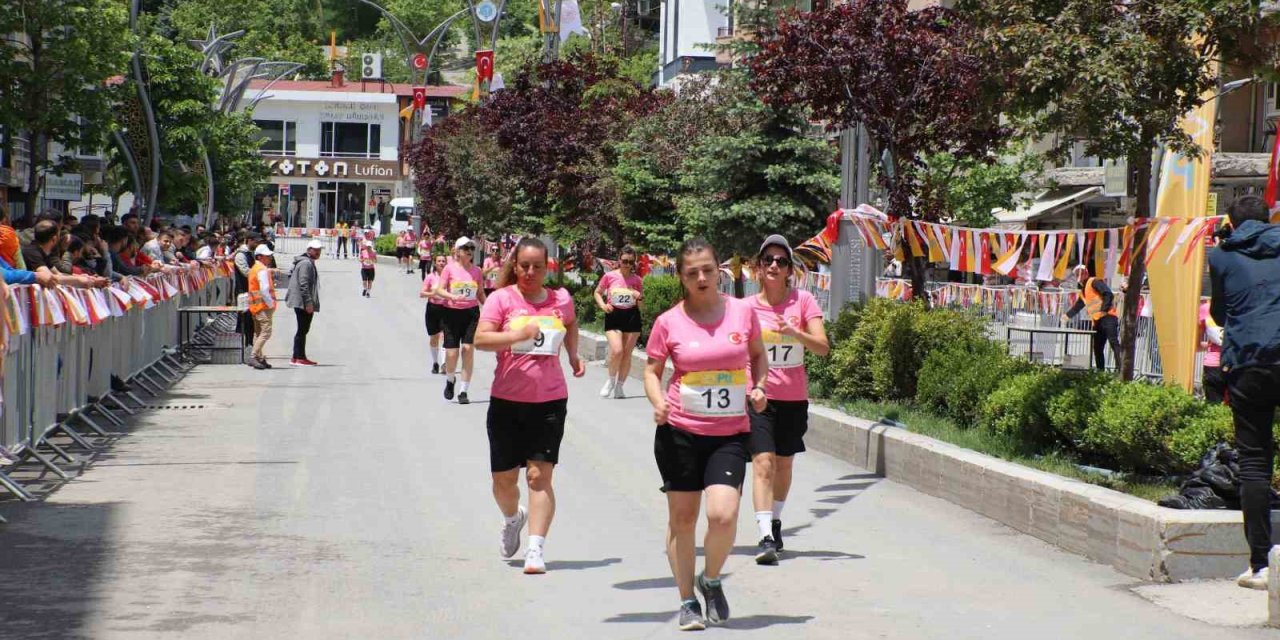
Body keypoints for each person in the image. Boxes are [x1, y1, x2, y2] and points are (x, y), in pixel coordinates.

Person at [643, 238, 768, 630]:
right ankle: (687, 601)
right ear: (681, 276)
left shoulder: (742, 314)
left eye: (708, 270)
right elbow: (651, 370)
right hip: (679, 430)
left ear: (720, 272)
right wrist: (658, 400)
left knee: (723, 514)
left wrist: (760, 386)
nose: (701, 278)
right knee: (683, 519)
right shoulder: (669, 322)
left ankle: (710, 579)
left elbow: (758, 355)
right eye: (692, 272)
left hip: (729, 432)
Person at [474, 237, 587, 574]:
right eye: (524, 265)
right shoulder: (501, 299)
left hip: (549, 400)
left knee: (539, 476)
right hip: (507, 401)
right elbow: (481, 339)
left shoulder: (560, 299)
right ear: (515, 265)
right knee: (503, 481)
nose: (530, 272)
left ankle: (536, 550)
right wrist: (517, 335)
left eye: (538, 266)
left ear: (547, 266)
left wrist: (573, 354)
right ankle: (513, 517)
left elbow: (570, 324)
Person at [1207, 195, 1280, 591]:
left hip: (1250, 363)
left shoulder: (1221, 256)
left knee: (1254, 462)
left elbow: (1219, 312)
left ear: (1231, 224)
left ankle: (1260, 565)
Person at [746, 235, 829, 564]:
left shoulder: (804, 302)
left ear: (789, 269)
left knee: (783, 464)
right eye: (769, 260)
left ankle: (776, 520)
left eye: (781, 261)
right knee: (763, 463)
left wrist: (795, 333)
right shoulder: (746, 308)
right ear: (759, 267)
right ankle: (765, 534)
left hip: (793, 397)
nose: (775, 266)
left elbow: (822, 347)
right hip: (759, 397)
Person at [434, 237, 487, 404]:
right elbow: (439, 290)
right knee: (451, 353)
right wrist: (452, 296)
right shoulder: (449, 269)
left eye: (471, 248)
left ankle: (464, 391)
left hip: (471, 313)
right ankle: (450, 380)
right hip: (451, 313)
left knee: (468, 349)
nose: (469, 251)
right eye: (465, 248)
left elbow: (480, 293)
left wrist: (490, 308)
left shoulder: (477, 271)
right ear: (457, 251)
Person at [593, 246, 645, 398]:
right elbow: (597, 292)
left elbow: (642, 306)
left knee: (627, 354)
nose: (627, 264)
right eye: (624, 261)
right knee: (617, 350)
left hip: (631, 316)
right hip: (614, 314)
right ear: (619, 260)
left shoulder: (637, 280)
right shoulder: (609, 276)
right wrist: (603, 305)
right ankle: (610, 381)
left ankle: (620, 387)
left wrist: (639, 296)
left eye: (630, 262)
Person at [1063, 265, 1119, 371]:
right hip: (1097, 321)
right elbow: (1077, 307)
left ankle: (1120, 370)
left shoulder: (1094, 282)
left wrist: (1104, 310)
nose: (1080, 275)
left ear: (1086, 273)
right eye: (1077, 273)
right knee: (1097, 349)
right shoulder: (1083, 292)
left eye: (1082, 272)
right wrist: (1067, 316)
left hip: (1108, 317)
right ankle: (1100, 372)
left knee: (1114, 343)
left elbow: (1108, 294)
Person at [286, 239, 322, 367]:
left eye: (319, 250)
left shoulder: (304, 261)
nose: (318, 252)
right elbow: (303, 284)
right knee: (302, 329)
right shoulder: (306, 263)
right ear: (308, 250)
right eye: (315, 250)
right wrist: (308, 303)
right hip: (302, 302)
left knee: (302, 330)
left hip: (301, 301)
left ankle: (297, 356)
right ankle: (299, 357)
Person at [246, 244, 277, 370]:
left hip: (255, 305)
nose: (269, 258)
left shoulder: (255, 268)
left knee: (258, 332)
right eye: (267, 256)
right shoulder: (262, 269)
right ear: (260, 257)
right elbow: (264, 289)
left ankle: (259, 357)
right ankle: (254, 356)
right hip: (263, 305)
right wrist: (271, 304)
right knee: (266, 332)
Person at [420, 254, 449, 374]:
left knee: (445, 336)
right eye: (439, 261)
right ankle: (435, 362)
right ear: (435, 263)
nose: (441, 263)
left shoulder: (450, 278)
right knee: (434, 337)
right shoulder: (430, 277)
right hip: (432, 308)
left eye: (443, 261)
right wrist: (434, 293)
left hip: (446, 308)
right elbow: (422, 293)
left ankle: (443, 364)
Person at [1199, 299, 1225, 404]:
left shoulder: (1205, 308)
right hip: (1237, 362)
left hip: (1213, 364)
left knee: (1213, 407)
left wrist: (1210, 344)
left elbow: (1197, 345)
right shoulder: (1240, 304)